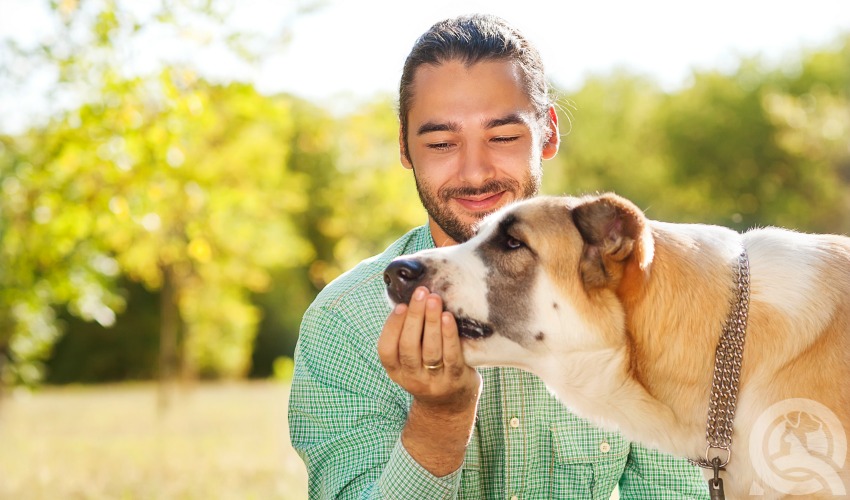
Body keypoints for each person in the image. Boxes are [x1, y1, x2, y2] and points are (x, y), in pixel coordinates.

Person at [289, 14, 709, 499]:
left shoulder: (635, 303)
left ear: (548, 134)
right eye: (442, 142)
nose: (475, 173)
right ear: (404, 147)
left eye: (503, 136)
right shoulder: (344, 325)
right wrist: (439, 417)